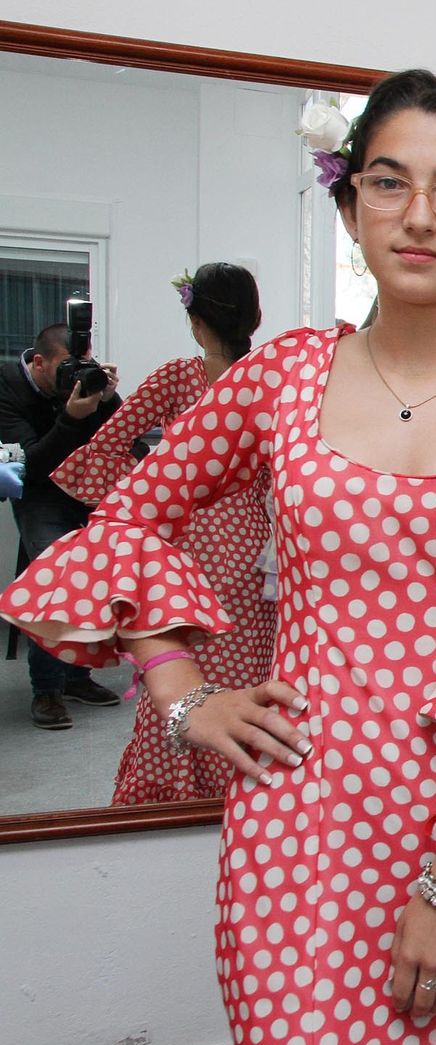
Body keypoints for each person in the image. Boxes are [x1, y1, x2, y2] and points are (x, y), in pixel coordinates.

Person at [1, 69, 436, 1045]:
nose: (419, 215)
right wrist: (182, 696)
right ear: (350, 205)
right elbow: (127, 523)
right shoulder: (284, 375)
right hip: (301, 817)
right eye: (388, 182)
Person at [51, 262, 272, 804]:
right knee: (247, 676)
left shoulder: (179, 377)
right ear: (253, 318)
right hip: (254, 555)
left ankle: (173, 793)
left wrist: (150, 504)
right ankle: (237, 792)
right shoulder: (273, 379)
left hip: (186, 554)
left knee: (176, 672)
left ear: (197, 323)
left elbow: (106, 445)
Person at [0, 321, 123, 729]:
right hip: (37, 493)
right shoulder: (6, 386)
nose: (73, 378)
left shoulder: (81, 384)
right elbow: (28, 467)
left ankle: (76, 677)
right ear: (38, 363)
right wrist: (70, 416)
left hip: (83, 489)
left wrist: (105, 398)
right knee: (55, 579)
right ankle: (47, 690)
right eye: (64, 369)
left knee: (93, 578)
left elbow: (121, 437)